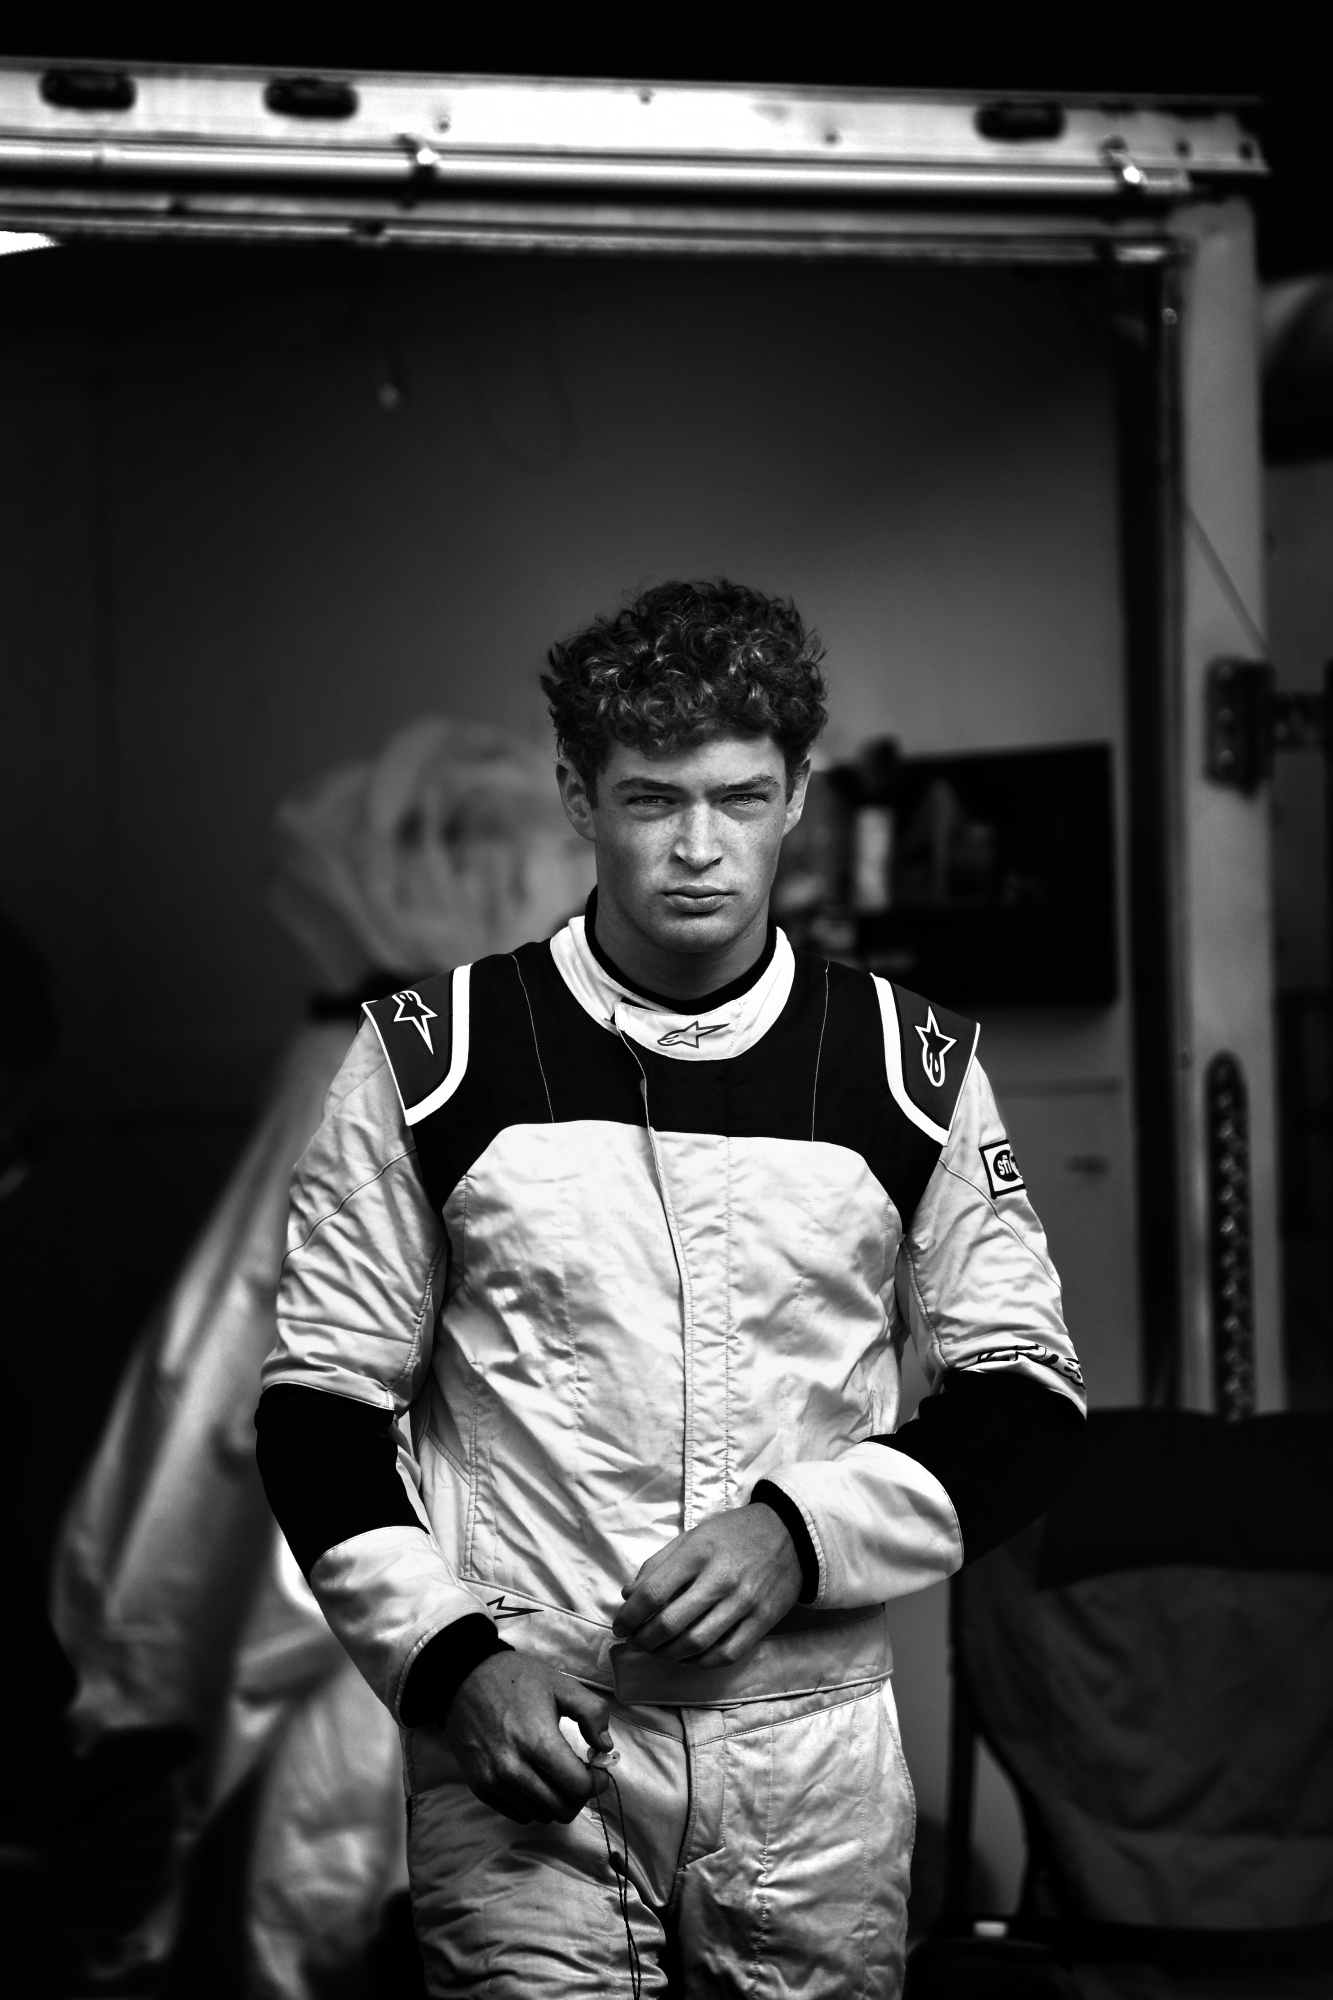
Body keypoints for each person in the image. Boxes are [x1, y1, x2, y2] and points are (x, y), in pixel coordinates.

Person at [256, 578, 1085, 1997]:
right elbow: (319, 1410)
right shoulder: (433, 1058)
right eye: (651, 801)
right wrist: (451, 1668)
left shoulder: (909, 1067)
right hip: (527, 1748)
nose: (698, 849)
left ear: (797, 794)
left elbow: (1026, 1399)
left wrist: (794, 1537)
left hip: (810, 1767)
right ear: (578, 796)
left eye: (740, 799)